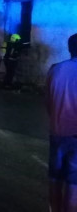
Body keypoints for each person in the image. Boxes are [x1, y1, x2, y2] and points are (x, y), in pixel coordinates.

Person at [46, 33, 77, 212]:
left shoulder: (55, 69)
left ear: (69, 48)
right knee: (73, 185)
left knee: (55, 179)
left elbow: (48, 103)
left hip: (57, 133)